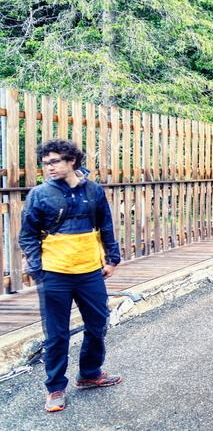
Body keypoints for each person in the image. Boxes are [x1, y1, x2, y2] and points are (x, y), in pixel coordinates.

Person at [19, 139, 123, 412]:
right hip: (55, 273)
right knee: (57, 334)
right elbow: (28, 235)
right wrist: (37, 269)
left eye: (55, 161)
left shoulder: (93, 191)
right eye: (45, 163)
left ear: (73, 161)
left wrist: (112, 259)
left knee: (98, 324)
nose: (49, 167)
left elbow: (105, 226)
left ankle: (89, 374)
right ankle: (55, 388)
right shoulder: (40, 194)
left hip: (90, 271)